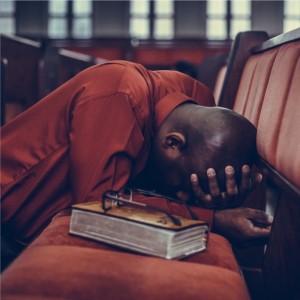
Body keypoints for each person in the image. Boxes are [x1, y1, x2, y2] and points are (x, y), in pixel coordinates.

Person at [1, 60, 272, 251]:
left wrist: (217, 201)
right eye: (181, 187)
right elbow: (99, 209)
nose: (181, 194)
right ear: (173, 143)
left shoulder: (196, 99)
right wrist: (213, 220)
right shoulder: (119, 95)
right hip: (10, 218)